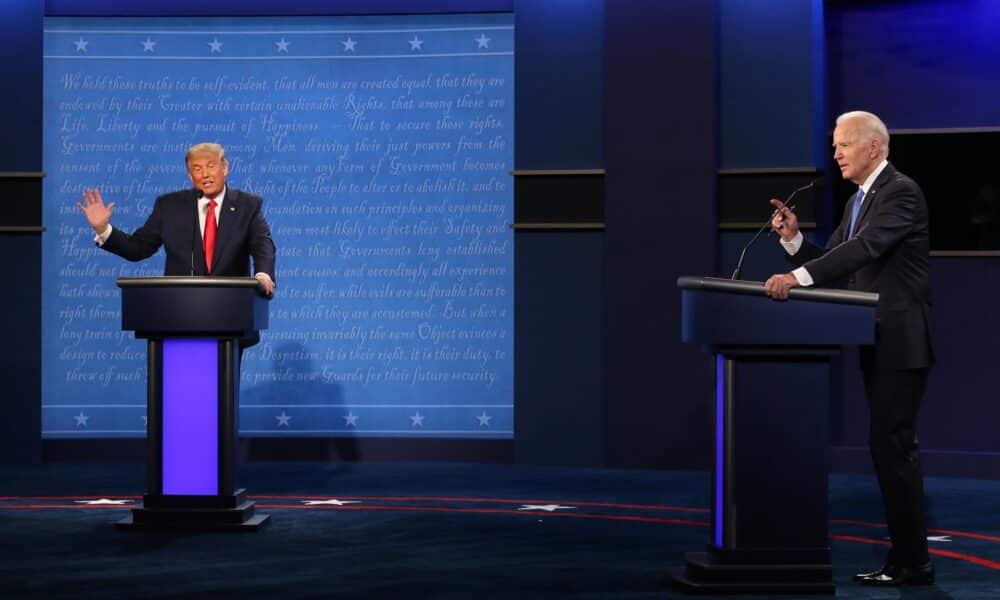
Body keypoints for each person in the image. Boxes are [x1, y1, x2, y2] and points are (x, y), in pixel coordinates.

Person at [764, 111, 934, 587]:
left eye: (843, 144)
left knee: (894, 448)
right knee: (886, 449)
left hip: (901, 342)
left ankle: (914, 562)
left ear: (873, 148)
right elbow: (836, 261)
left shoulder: (900, 192)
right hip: (875, 339)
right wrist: (795, 241)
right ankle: (905, 560)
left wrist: (794, 278)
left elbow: (864, 250)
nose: (836, 153)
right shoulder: (859, 200)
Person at [78, 142, 276, 296]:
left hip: (231, 311)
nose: (205, 174)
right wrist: (103, 229)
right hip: (180, 311)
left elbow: (262, 246)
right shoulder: (169, 206)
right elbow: (137, 248)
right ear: (190, 176)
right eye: (197, 169)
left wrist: (262, 275)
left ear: (225, 168)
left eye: (211, 166)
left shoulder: (247, 205)